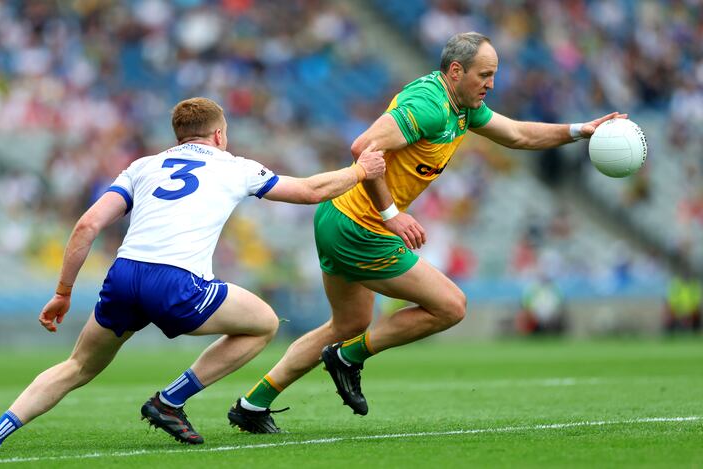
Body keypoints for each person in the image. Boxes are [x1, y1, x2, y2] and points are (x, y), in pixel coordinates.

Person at [227, 31, 627, 432]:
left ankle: (253, 404)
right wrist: (391, 214)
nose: (491, 84)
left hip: (340, 216)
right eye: (484, 75)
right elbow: (363, 147)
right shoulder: (430, 105)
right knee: (451, 306)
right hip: (358, 226)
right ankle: (347, 357)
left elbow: (519, 134)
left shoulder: (463, 108)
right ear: (456, 71)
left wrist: (580, 130)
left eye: (493, 75)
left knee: (347, 325)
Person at [0, 97, 385, 451]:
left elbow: (87, 226)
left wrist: (63, 292)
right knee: (264, 323)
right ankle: (170, 401)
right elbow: (310, 192)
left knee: (77, 365)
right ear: (218, 135)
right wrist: (360, 171)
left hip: (124, 276)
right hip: (175, 282)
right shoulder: (234, 166)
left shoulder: (142, 166)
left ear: (179, 135)